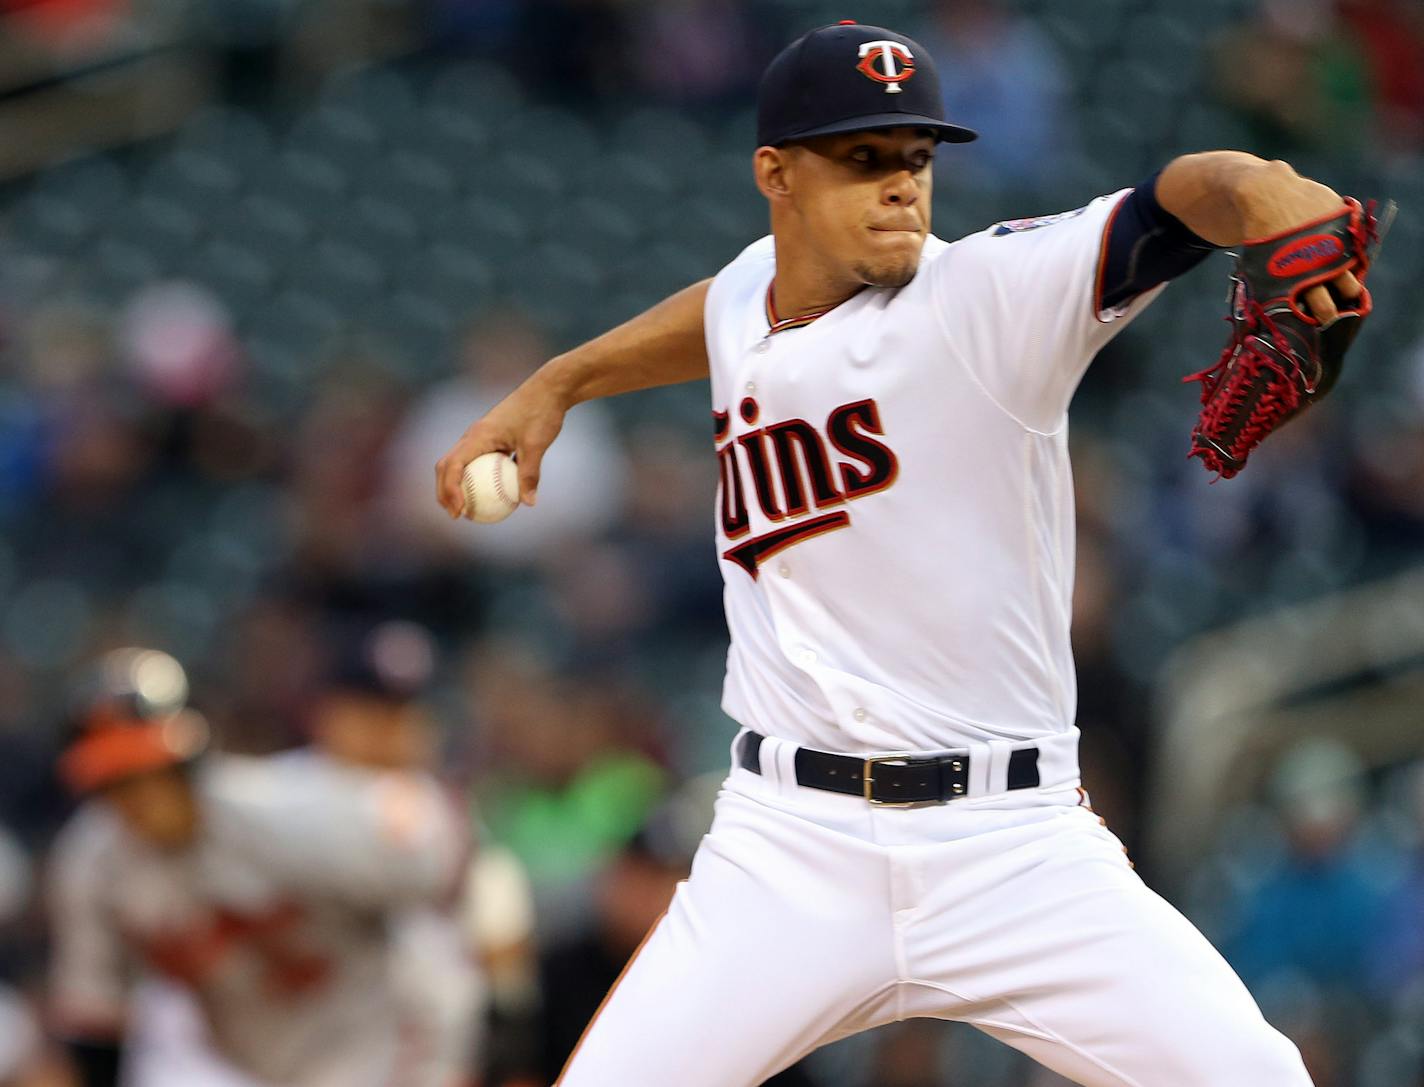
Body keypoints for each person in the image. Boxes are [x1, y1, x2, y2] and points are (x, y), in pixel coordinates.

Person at [434, 21, 1368, 1086]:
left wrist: (1263, 191)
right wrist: (560, 380)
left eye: (914, 159)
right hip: (789, 848)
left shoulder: (989, 298)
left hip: (1012, 848)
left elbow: (1178, 199)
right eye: (863, 159)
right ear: (773, 176)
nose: (898, 187)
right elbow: (724, 310)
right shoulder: (754, 290)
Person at [46, 647, 463, 1087]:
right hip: (256, 1064)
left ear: (188, 757)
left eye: (151, 772)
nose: (136, 798)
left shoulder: (280, 814)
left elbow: (436, 857)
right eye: (116, 782)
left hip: (375, 1037)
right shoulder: (93, 863)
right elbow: (95, 1019)